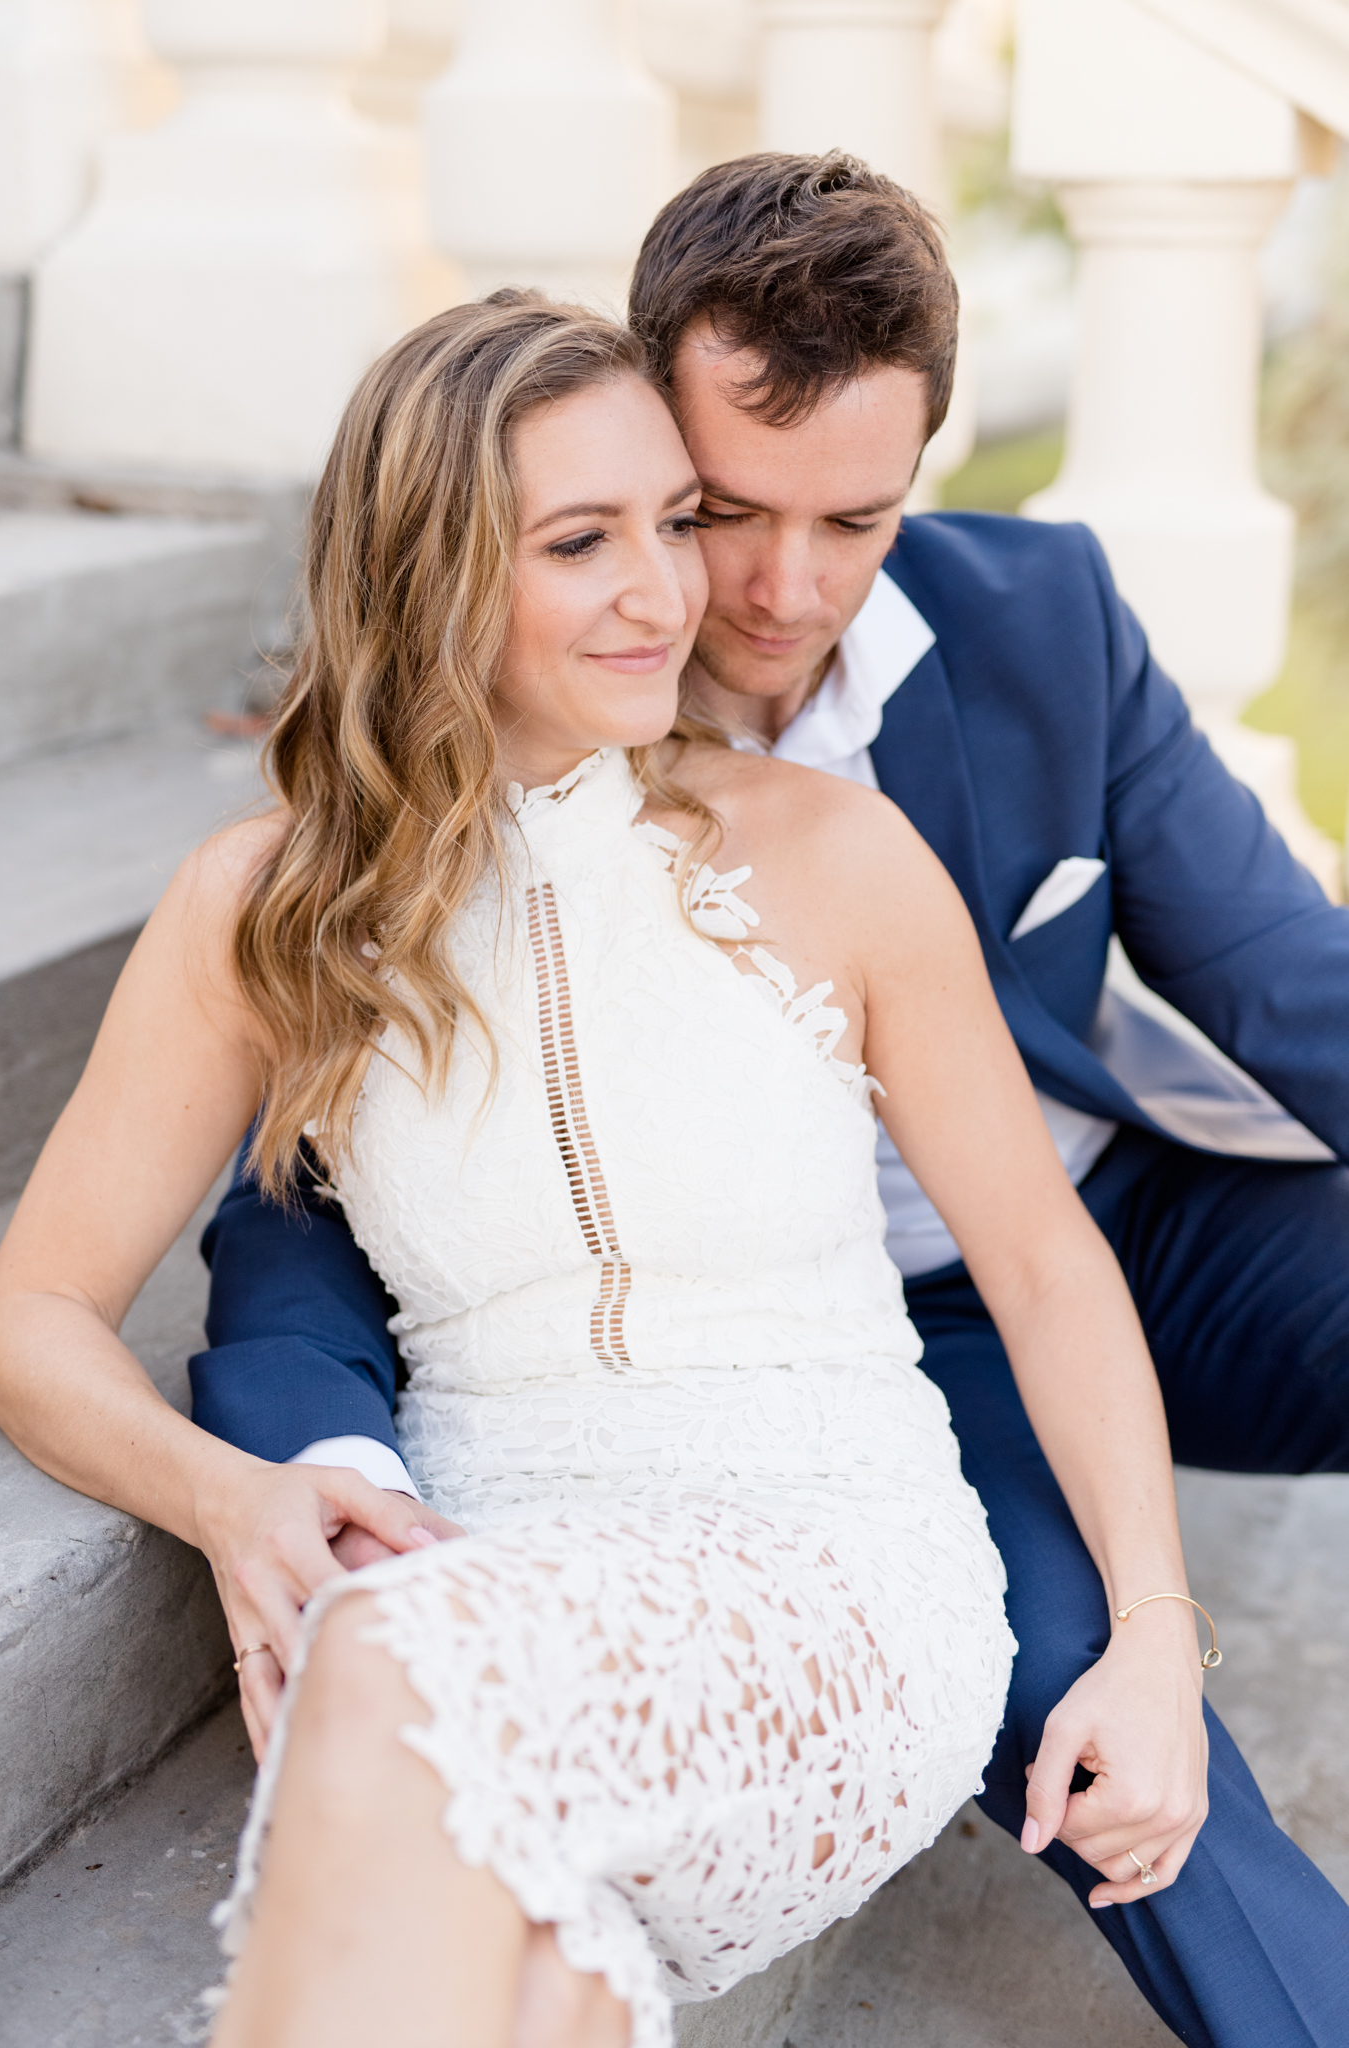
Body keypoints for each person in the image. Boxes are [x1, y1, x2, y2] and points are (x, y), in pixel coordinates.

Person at [192, 157, 1349, 2044]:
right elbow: (305, 1184)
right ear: (640, 423)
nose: (783, 589)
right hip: (842, 1354)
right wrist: (329, 1473)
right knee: (1086, 1700)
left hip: (1111, 1236)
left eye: (859, 522)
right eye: (725, 511)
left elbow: (1294, 984)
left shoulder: (1043, 616)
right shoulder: (492, 710)